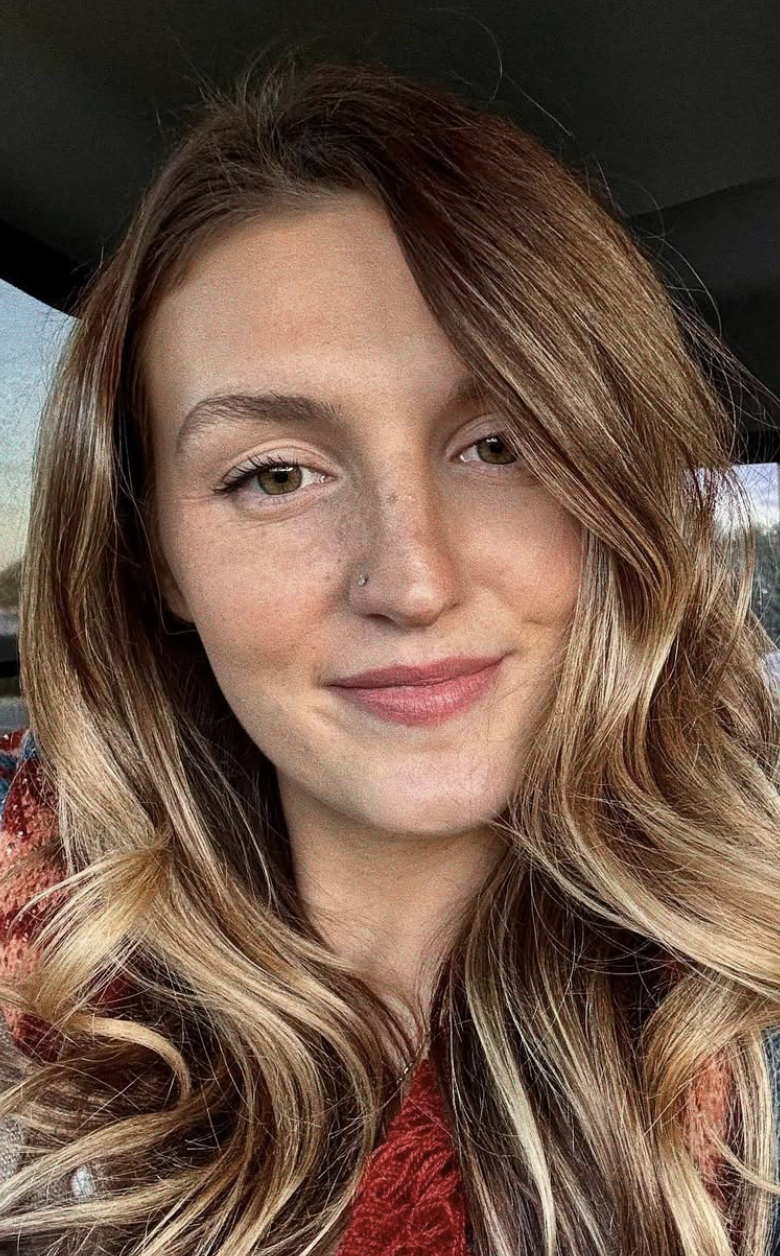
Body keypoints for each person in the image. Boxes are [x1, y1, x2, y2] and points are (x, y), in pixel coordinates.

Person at [0, 45, 779, 1256]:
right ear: (155, 558)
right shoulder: (35, 1025)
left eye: (502, 443)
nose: (412, 580)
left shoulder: (754, 1013)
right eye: (274, 475)